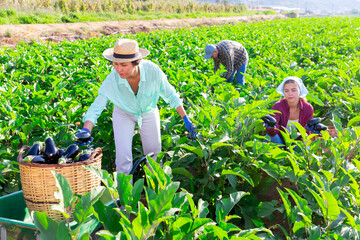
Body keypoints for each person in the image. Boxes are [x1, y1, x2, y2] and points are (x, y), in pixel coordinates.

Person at [78, 39, 196, 175]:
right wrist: (86, 129)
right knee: (123, 158)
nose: (118, 69)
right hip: (123, 114)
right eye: (115, 64)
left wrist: (185, 118)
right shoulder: (113, 79)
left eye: (123, 65)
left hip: (148, 112)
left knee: (154, 155)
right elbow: (97, 106)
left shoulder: (153, 72)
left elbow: (171, 95)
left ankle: (157, 191)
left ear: (136, 62)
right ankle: (124, 195)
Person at [265, 76, 314, 145]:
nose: (290, 94)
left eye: (293, 90)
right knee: (270, 137)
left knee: (305, 147)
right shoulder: (278, 106)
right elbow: (273, 132)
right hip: (279, 140)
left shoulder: (308, 108)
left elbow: (305, 133)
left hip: (297, 142)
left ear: (300, 91)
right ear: (283, 92)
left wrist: (310, 128)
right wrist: (271, 127)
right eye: (286, 91)